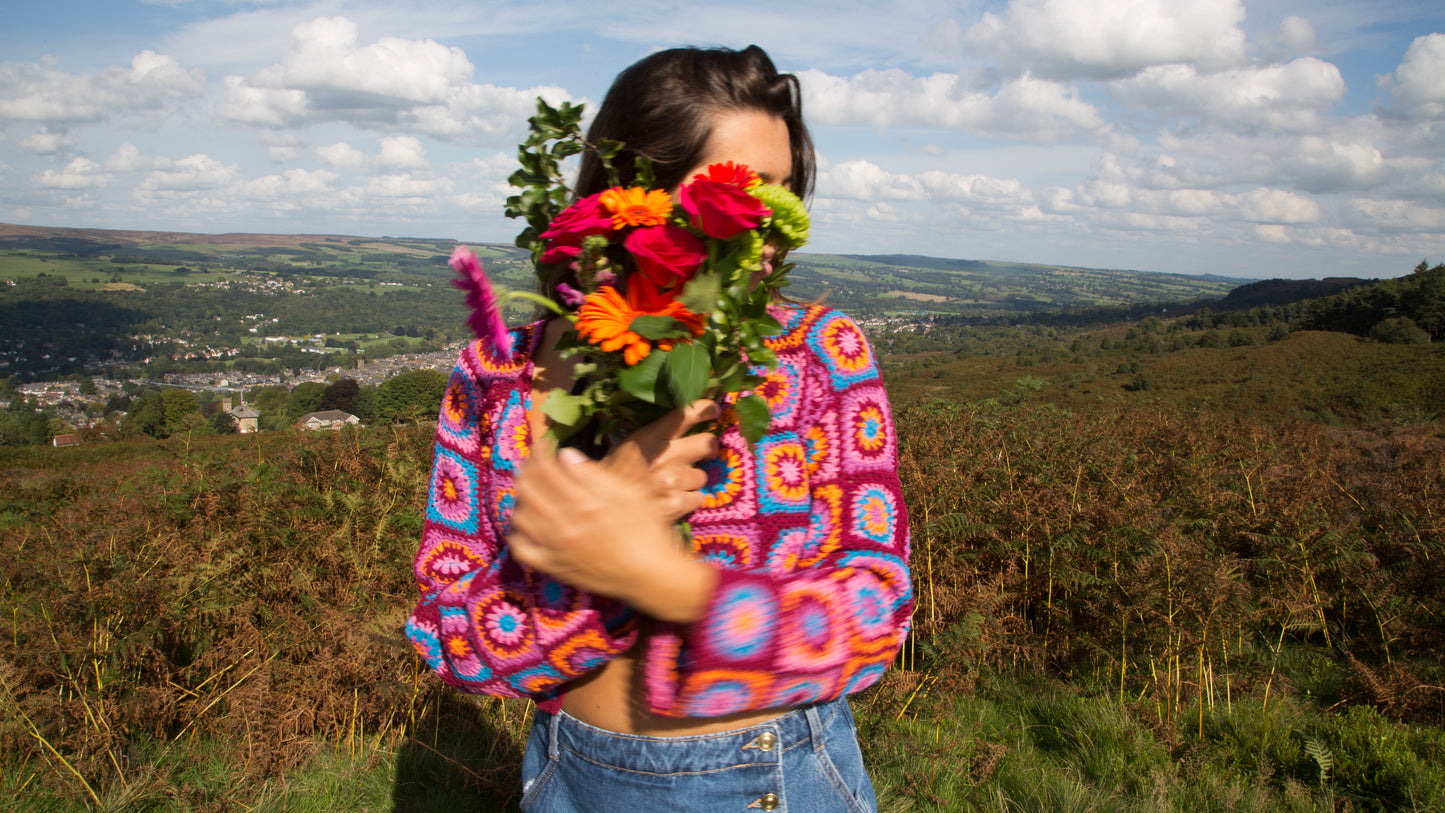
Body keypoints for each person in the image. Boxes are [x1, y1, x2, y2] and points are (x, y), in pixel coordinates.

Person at [406, 45, 911, 812]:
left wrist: (672, 583)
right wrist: (591, 562)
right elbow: (445, 630)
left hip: (774, 778)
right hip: (567, 777)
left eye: (784, 192)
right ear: (628, 195)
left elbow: (875, 616)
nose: (772, 229)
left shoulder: (818, 354)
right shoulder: (493, 377)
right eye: (741, 191)